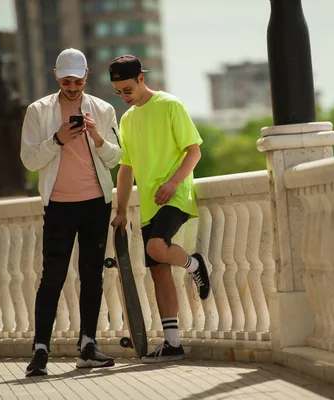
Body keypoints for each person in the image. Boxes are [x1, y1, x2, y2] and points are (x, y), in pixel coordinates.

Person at [20, 48, 122, 377]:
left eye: (78, 80)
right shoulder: (38, 111)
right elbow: (29, 160)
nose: (73, 86)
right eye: (66, 80)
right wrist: (57, 139)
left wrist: (95, 136)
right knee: (52, 276)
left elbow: (115, 158)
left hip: (96, 203)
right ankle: (40, 351)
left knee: (92, 275)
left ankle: (88, 346)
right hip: (59, 205)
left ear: (87, 76)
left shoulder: (104, 110)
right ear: (55, 76)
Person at [109, 54, 211, 363]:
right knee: (158, 273)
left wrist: (173, 182)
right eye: (118, 92)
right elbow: (125, 171)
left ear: (141, 79)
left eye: (127, 90)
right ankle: (172, 343)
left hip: (176, 194)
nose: (124, 97)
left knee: (156, 247)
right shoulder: (127, 120)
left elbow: (194, 152)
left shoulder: (170, 105)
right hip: (151, 204)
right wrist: (122, 210)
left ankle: (194, 264)